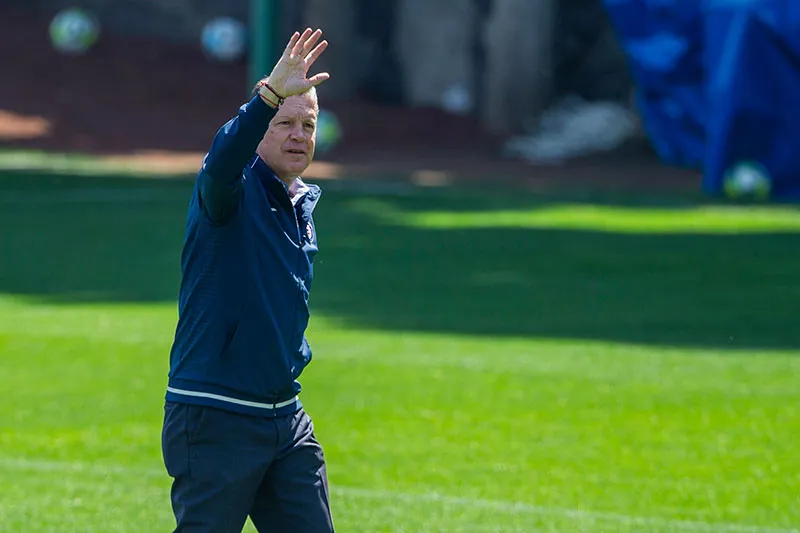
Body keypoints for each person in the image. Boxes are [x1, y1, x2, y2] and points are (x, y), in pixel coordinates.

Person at [161, 28, 335, 533]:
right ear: (259, 130)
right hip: (216, 415)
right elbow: (224, 158)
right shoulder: (227, 195)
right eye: (283, 123)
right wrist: (266, 98)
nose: (299, 135)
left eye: (308, 124)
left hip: (284, 417)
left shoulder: (300, 203)